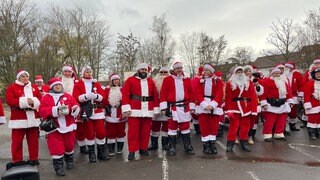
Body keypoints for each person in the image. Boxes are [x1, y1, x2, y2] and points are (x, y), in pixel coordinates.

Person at [39, 77, 80, 176]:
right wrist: (56, 110)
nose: (58, 87)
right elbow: (42, 111)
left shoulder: (68, 96)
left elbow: (75, 104)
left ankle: (69, 161)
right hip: (54, 127)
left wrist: (76, 109)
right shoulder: (46, 97)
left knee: (69, 145)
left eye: (59, 85)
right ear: (52, 87)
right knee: (56, 148)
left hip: (69, 125)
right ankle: (58, 167)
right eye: (56, 85)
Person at [121, 63, 160, 160]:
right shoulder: (130, 80)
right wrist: (126, 107)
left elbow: (155, 95)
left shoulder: (150, 82)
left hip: (147, 109)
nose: (144, 71)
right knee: (133, 132)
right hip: (134, 110)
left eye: (145, 70)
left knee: (146, 131)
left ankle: (143, 148)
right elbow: (125, 94)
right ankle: (132, 151)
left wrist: (156, 108)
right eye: (142, 69)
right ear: (138, 70)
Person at [5, 70, 42, 169]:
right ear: (18, 77)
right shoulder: (12, 87)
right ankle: (17, 160)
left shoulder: (34, 87)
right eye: (23, 76)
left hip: (33, 118)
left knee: (33, 141)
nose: (25, 77)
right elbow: (9, 100)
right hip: (19, 119)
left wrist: (33, 101)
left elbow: (40, 99)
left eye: (27, 75)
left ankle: (34, 158)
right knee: (17, 141)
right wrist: (25, 101)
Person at [73, 66, 108, 163]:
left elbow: (103, 97)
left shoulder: (96, 83)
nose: (89, 73)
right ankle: (92, 154)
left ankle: (101, 153)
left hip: (97, 112)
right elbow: (75, 97)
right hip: (86, 112)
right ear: (83, 73)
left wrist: (96, 96)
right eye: (87, 72)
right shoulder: (78, 84)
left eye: (90, 71)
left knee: (101, 132)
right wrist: (86, 96)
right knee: (89, 133)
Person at [160, 61, 196, 156]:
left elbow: (191, 93)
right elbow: (163, 93)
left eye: (180, 68)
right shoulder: (167, 80)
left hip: (185, 107)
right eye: (177, 68)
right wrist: (163, 108)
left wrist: (192, 106)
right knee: (172, 127)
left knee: (185, 127)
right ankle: (172, 147)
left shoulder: (187, 79)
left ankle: (188, 147)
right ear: (174, 70)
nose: (179, 70)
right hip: (173, 107)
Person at [224, 66, 258, 152]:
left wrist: (253, 109)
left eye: (241, 72)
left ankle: (244, 143)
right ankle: (230, 144)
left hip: (246, 108)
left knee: (245, 127)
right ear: (234, 73)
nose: (240, 74)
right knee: (234, 127)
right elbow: (228, 98)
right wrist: (228, 110)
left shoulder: (248, 82)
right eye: (238, 72)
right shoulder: (229, 83)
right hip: (234, 108)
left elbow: (253, 96)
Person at [194, 64, 224, 154]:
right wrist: (204, 104)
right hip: (203, 105)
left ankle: (212, 144)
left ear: (211, 71)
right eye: (204, 70)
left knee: (214, 126)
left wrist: (212, 104)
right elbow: (197, 93)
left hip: (214, 105)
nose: (205, 72)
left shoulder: (217, 81)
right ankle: (206, 145)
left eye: (207, 70)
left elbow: (220, 93)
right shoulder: (200, 81)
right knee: (204, 126)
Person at [260, 67, 293, 142]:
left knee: (282, 119)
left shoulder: (283, 81)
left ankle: (279, 133)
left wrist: (290, 101)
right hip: (271, 104)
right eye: (276, 73)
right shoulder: (267, 81)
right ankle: (267, 134)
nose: (278, 75)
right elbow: (263, 93)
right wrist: (264, 103)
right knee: (270, 120)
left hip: (283, 103)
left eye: (279, 73)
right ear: (272, 74)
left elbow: (288, 92)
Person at [62, 64, 88, 154]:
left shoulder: (77, 82)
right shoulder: (59, 82)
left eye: (69, 71)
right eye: (65, 71)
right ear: (63, 72)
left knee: (80, 128)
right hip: (63, 108)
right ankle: (67, 148)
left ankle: (82, 146)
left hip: (76, 106)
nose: (67, 73)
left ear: (72, 72)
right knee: (66, 128)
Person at [148, 67, 170, 151]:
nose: (163, 74)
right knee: (155, 125)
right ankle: (154, 144)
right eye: (162, 72)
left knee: (166, 126)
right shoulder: (154, 82)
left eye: (165, 72)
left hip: (167, 106)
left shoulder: (170, 81)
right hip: (156, 106)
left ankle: (165, 144)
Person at [104, 74, 126, 156]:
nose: (116, 81)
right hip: (110, 113)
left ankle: (120, 148)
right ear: (112, 81)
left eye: (118, 79)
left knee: (121, 131)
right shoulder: (107, 90)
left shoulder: (123, 89)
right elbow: (104, 100)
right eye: (115, 80)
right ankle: (111, 148)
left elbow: (126, 100)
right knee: (110, 132)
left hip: (120, 112)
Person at [244, 65, 264, 145]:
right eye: (247, 71)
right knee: (244, 121)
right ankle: (240, 136)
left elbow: (259, 92)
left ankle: (250, 136)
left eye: (250, 71)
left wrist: (257, 86)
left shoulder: (254, 80)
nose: (248, 73)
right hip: (244, 103)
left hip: (253, 103)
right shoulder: (241, 80)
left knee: (253, 121)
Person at [284, 61, 304, 132]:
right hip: (284, 96)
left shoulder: (297, 74)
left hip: (294, 96)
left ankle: (292, 125)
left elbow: (301, 85)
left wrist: (300, 95)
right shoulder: (282, 74)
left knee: (293, 112)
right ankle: (282, 128)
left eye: (289, 67)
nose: (287, 68)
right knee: (283, 113)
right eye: (286, 67)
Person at [303, 67, 320, 140]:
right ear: (314, 75)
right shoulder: (310, 83)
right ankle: (311, 132)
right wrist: (307, 104)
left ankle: (318, 132)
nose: (319, 75)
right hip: (313, 104)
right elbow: (306, 95)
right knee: (312, 118)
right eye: (317, 74)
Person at [191, 66, 203, 134]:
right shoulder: (203, 79)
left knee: (195, 115)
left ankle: (197, 129)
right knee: (200, 115)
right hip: (200, 99)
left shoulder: (194, 79)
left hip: (195, 99)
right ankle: (200, 129)